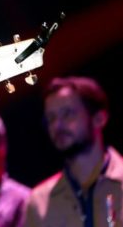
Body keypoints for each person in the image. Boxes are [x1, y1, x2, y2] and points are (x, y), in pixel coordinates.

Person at [24, 76, 122, 227]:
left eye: (67, 114)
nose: (57, 126)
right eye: (51, 118)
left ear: (99, 118)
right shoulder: (39, 201)